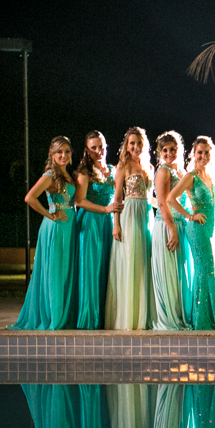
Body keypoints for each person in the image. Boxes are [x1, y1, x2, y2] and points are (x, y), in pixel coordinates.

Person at [10, 136, 78, 330]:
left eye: (66, 151)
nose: (63, 155)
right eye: (59, 152)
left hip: (69, 227)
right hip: (56, 228)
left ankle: (64, 314)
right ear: (52, 154)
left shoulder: (68, 174)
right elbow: (30, 197)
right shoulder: (50, 175)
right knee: (56, 271)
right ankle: (53, 316)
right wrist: (51, 215)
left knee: (66, 271)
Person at [168, 137, 215, 330]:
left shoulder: (212, 177)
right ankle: (202, 320)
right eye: (199, 152)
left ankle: (212, 316)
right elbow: (171, 198)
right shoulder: (191, 176)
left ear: (211, 154)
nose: (203, 156)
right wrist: (190, 216)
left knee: (210, 270)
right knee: (205, 270)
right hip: (197, 228)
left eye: (206, 152)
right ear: (193, 155)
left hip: (211, 228)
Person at [105, 127, 156, 330]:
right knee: (130, 261)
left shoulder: (149, 167)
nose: (135, 147)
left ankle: (143, 315)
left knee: (144, 263)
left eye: (139, 143)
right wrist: (116, 224)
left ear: (144, 145)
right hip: (130, 215)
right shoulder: (123, 166)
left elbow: (152, 196)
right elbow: (117, 197)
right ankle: (128, 317)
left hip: (146, 215)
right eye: (132, 143)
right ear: (126, 146)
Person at [73, 131, 123, 329]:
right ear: (87, 150)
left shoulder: (112, 169)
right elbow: (79, 201)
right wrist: (104, 209)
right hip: (91, 223)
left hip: (108, 222)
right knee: (92, 269)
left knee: (108, 268)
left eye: (101, 146)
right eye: (93, 148)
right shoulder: (85, 173)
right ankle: (90, 318)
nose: (98, 151)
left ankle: (106, 316)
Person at [150, 131, 191, 331]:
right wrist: (172, 228)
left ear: (179, 150)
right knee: (169, 274)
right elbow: (162, 203)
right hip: (167, 226)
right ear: (160, 152)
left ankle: (181, 314)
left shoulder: (181, 172)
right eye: (165, 150)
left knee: (179, 273)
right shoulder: (163, 172)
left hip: (181, 225)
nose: (169, 153)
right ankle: (169, 318)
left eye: (172, 149)